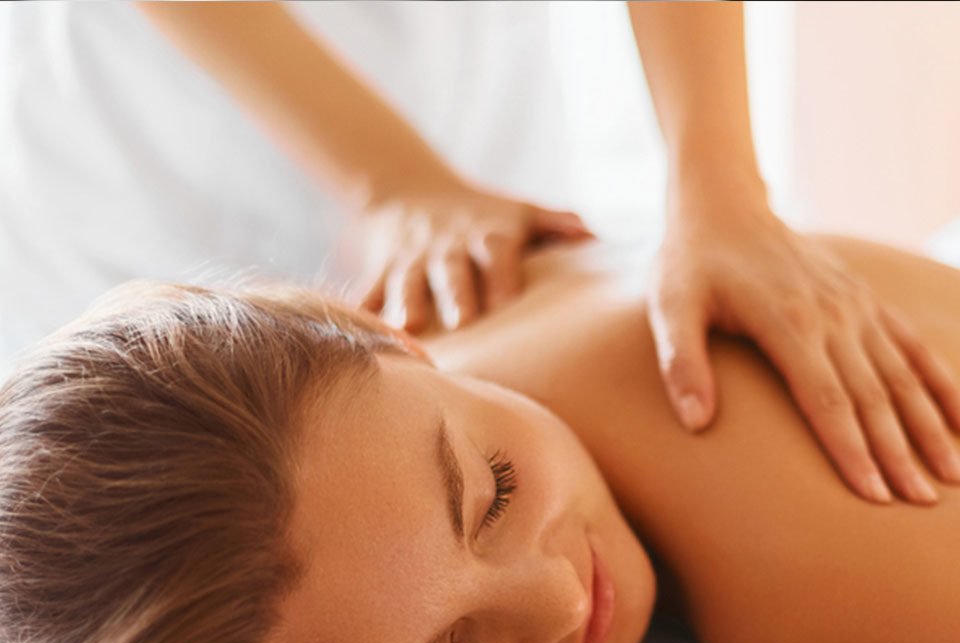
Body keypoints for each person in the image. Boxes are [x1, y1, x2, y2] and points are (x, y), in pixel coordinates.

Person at [1, 229, 960, 643]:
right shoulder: (461, 290)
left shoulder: (797, 572)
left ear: (376, 326)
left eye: (493, 495)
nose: (560, 602)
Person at [1, 1, 948, 507]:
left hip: (462, 105)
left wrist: (721, 186)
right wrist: (391, 180)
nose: (568, 605)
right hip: (165, 133)